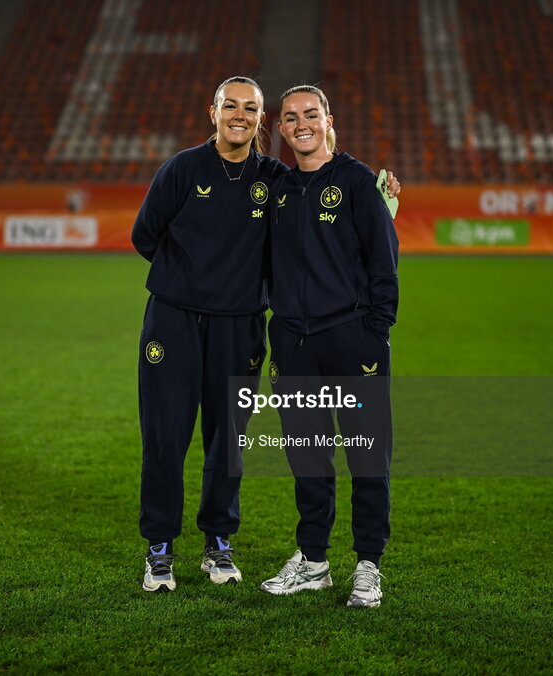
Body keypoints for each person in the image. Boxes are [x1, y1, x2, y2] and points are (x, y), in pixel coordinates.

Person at [132, 77, 400, 594]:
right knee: (167, 438)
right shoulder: (188, 170)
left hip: (248, 327)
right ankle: (161, 548)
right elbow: (146, 235)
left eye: (249, 107)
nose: (239, 114)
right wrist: (190, 282)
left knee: (228, 443)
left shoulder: (280, 178)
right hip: (181, 322)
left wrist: (378, 206)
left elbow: (348, 231)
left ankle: (220, 543)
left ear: (261, 121)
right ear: (212, 112)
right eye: (229, 105)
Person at [260, 85, 398, 608]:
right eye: (291, 117)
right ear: (283, 128)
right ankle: (313, 561)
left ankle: (368, 565)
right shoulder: (276, 187)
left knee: (367, 458)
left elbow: (383, 263)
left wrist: (375, 331)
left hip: (352, 341)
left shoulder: (357, 182)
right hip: (293, 343)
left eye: (310, 115)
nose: (301, 124)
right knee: (307, 458)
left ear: (328, 120)